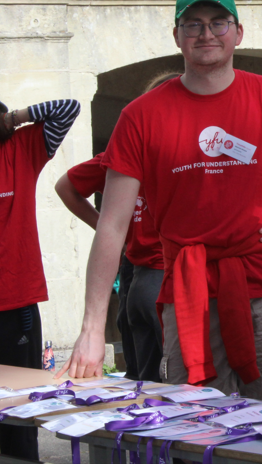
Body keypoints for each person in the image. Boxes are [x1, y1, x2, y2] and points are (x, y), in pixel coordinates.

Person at [59, 0, 262, 405]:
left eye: (219, 22)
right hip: (187, 288)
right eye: (193, 24)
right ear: (176, 35)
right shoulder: (141, 116)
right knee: (197, 417)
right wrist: (91, 330)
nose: (206, 33)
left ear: (238, 33)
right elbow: (111, 223)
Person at [54, 72, 179, 382]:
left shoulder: (129, 154)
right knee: (171, 387)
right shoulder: (139, 153)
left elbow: (65, 185)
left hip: (138, 282)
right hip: (158, 279)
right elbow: (67, 186)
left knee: (143, 383)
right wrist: (110, 230)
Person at [0, 80, 80, 459]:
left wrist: (13, 118)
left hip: (13, 301)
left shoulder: (19, 147)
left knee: (19, 410)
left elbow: (68, 108)